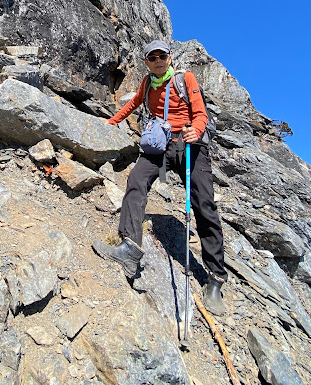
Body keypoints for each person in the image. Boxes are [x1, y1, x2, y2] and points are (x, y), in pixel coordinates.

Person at [93, 40, 227, 315]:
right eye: (151, 57)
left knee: (204, 206)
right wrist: (111, 122)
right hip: (161, 144)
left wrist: (197, 129)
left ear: (169, 57)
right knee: (136, 181)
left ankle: (215, 277)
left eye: (161, 56)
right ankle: (130, 247)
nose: (157, 60)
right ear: (146, 62)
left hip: (191, 144)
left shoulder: (184, 78)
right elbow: (132, 105)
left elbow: (200, 112)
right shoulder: (147, 84)